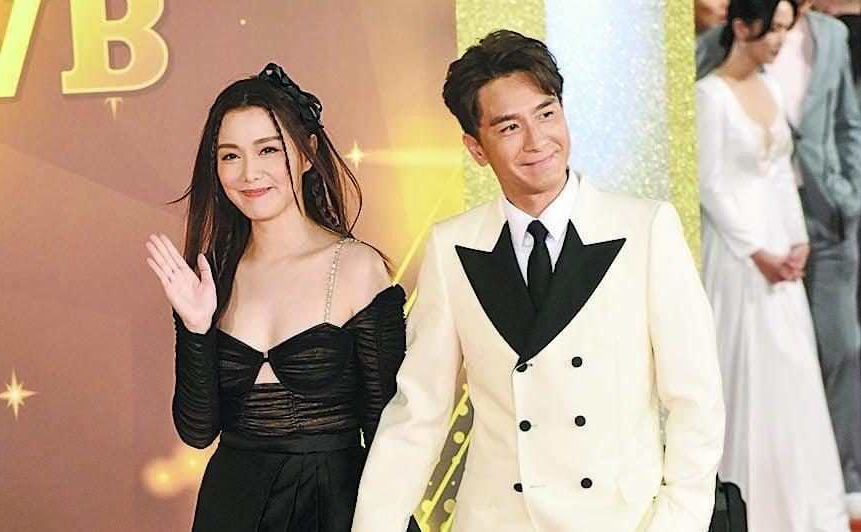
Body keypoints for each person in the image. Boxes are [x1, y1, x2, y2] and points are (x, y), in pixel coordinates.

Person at [351, 30, 725, 532]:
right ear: (476, 147)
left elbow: (696, 400)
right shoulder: (452, 246)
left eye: (546, 114)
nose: (536, 141)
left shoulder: (645, 229)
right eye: (509, 127)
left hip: (620, 520)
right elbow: (419, 412)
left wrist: (677, 521)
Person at [145, 63, 411, 532]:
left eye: (268, 149)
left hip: (336, 507)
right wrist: (196, 329)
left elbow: (388, 431)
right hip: (232, 508)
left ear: (307, 154)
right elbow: (198, 431)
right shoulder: (212, 276)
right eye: (230, 156)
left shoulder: (357, 268)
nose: (250, 173)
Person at [698, 0, 861, 512]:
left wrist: (797, 238)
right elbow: (709, 186)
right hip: (738, 253)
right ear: (743, 27)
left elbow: (781, 173)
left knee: (793, 369)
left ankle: (803, 501)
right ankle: (749, 505)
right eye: (774, 30)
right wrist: (757, 250)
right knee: (746, 371)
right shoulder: (709, 94)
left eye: (787, 31)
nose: (780, 42)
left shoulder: (768, 86)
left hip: (781, 248)